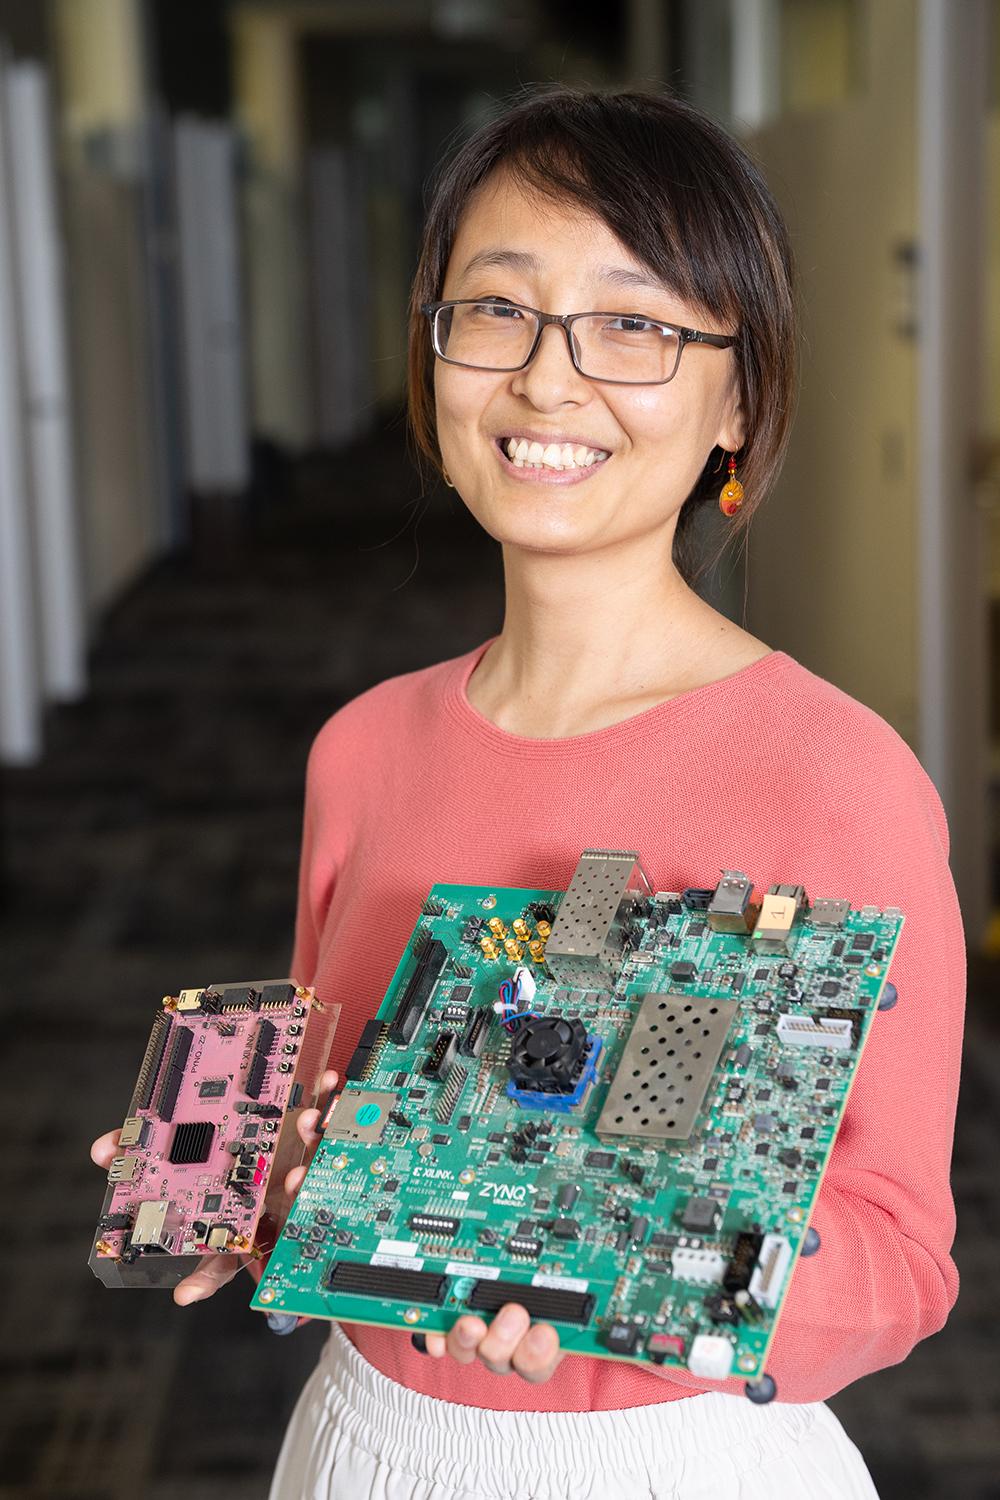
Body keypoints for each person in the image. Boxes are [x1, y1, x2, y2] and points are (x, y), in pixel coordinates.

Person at [91, 84, 965, 1498]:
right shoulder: (362, 745)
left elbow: (901, 1269)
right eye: (497, 309)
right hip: (364, 1441)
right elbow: (360, 1133)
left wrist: (613, 1246)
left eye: (634, 324)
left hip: (674, 1458)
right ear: (435, 357)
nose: (549, 381)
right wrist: (245, 1192)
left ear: (740, 397)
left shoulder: (838, 777)